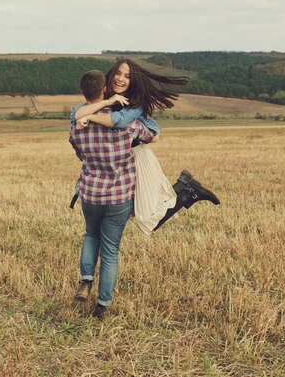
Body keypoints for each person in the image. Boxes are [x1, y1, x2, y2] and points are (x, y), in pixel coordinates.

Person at [73, 59, 220, 235]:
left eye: (127, 76)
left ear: (133, 81)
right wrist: (89, 113)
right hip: (119, 162)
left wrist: (90, 117)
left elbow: (120, 123)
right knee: (131, 210)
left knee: (145, 217)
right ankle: (182, 187)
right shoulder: (105, 97)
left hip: (137, 158)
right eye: (118, 73)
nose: (120, 79)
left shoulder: (134, 104)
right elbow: (78, 113)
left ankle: (187, 192)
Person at [69, 69, 157, 319]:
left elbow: (77, 150)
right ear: (106, 89)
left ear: (82, 92)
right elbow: (153, 135)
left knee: (90, 234)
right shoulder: (125, 122)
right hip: (118, 196)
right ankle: (102, 306)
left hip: (90, 193)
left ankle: (86, 281)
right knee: (110, 251)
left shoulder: (77, 123)